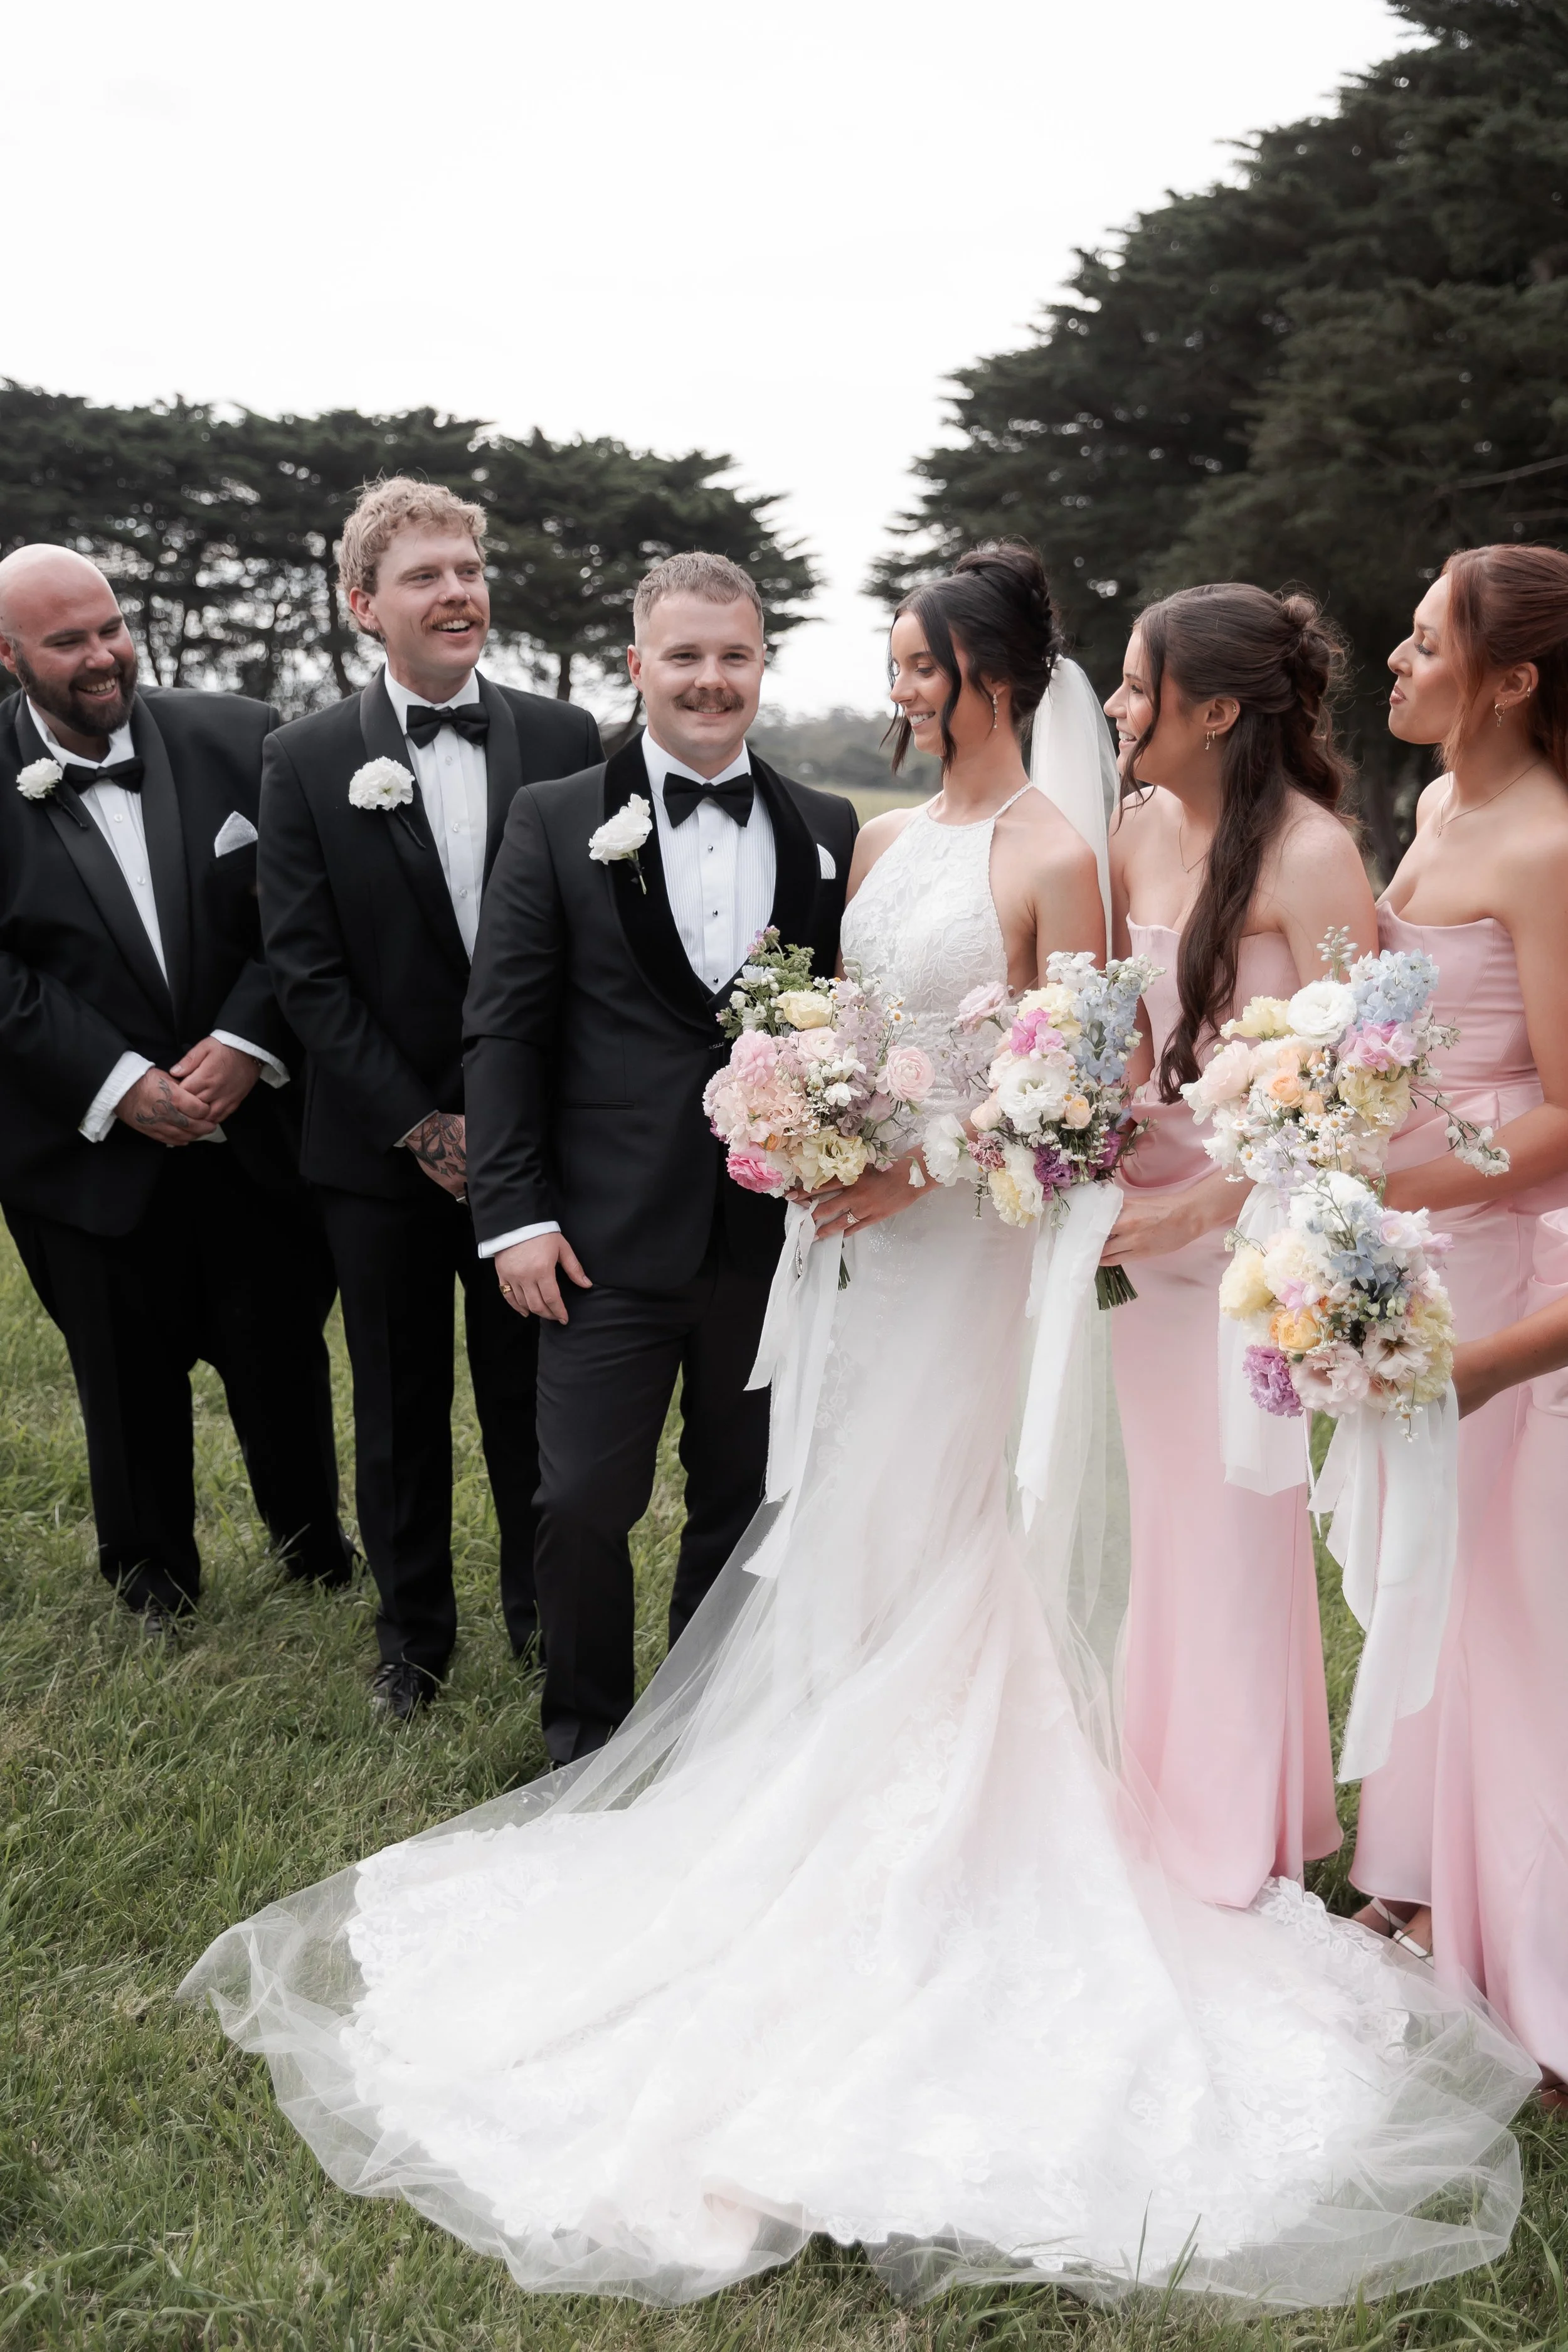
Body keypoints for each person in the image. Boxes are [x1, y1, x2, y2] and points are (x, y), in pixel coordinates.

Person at [184, 547, 1532, 2313]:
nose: (891, 688)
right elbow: (863, 1026)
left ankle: (972, 1809)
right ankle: (816, 1774)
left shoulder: (1059, 853)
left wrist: (925, 1163)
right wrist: (809, 1113)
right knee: (834, 1519)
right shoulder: (880, 844)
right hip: (860, 1256)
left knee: (952, 1524)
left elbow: (1071, 1086)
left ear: (987, 675)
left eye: (912, 663)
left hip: (966, 1248)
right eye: (885, 662)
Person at [464, 551, 856, 1765]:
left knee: (741, 1500)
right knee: (581, 1497)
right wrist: (514, 1215)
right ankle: (584, 1736)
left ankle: (700, 1735)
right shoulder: (553, 817)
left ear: (761, 665)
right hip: (599, 1236)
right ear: (638, 665)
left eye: (733, 655)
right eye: (684, 656)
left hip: (765, 1235)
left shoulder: (826, 827)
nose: (709, 680)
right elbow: (503, 1028)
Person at [258, 477, 601, 1721]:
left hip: (533, 1148)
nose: (457, 592)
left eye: (467, 570)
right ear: (364, 605)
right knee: (397, 1405)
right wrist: (417, 1122)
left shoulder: (565, 738)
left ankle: (541, 1614)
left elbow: (590, 945)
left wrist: (507, 1125)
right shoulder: (304, 758)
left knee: (531, 1398)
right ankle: (412, 1644)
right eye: (423, 577)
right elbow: (304, 968)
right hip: (376, 1151)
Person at [0, 546, 351, 1638]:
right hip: (82, 1142)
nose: (104, 655)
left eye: (111, 626)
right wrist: (115, 1082)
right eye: (68, 641)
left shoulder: (245, 737)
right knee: (119, 1367)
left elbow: (308, 905)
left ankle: (316, 1551)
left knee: (281, 1346)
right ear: (8, 655)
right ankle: (151, 1575)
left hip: (255, 1125)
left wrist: (247, 1040)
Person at [1100, 585, 1378, 1907]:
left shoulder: (1313, 855)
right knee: (1161, 1521)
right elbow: (1129, 1021)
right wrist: (1081, 1131)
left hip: (1242, 1241)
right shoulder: (1137, 824)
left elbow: (1350, 1097)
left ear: (1214, 711)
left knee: (1231, 1522)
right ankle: (1151, 1786)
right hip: (1130, 1221)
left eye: (1135, 685)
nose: (1115, 706)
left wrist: (1193, 1213)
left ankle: (1226, 1828)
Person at [1345, 546, 1568, 2094]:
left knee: (1500, 1591)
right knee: (1420, 1574)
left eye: (1427, 643)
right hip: (1410, 1237)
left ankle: (1521, 1926)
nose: (1397, 659)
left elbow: (1560, 1110)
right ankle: (1424, 1867)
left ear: (1511, 681)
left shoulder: (1548, 845)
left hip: (1492, 1257)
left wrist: (1410, 1175)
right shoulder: (1430, 806)